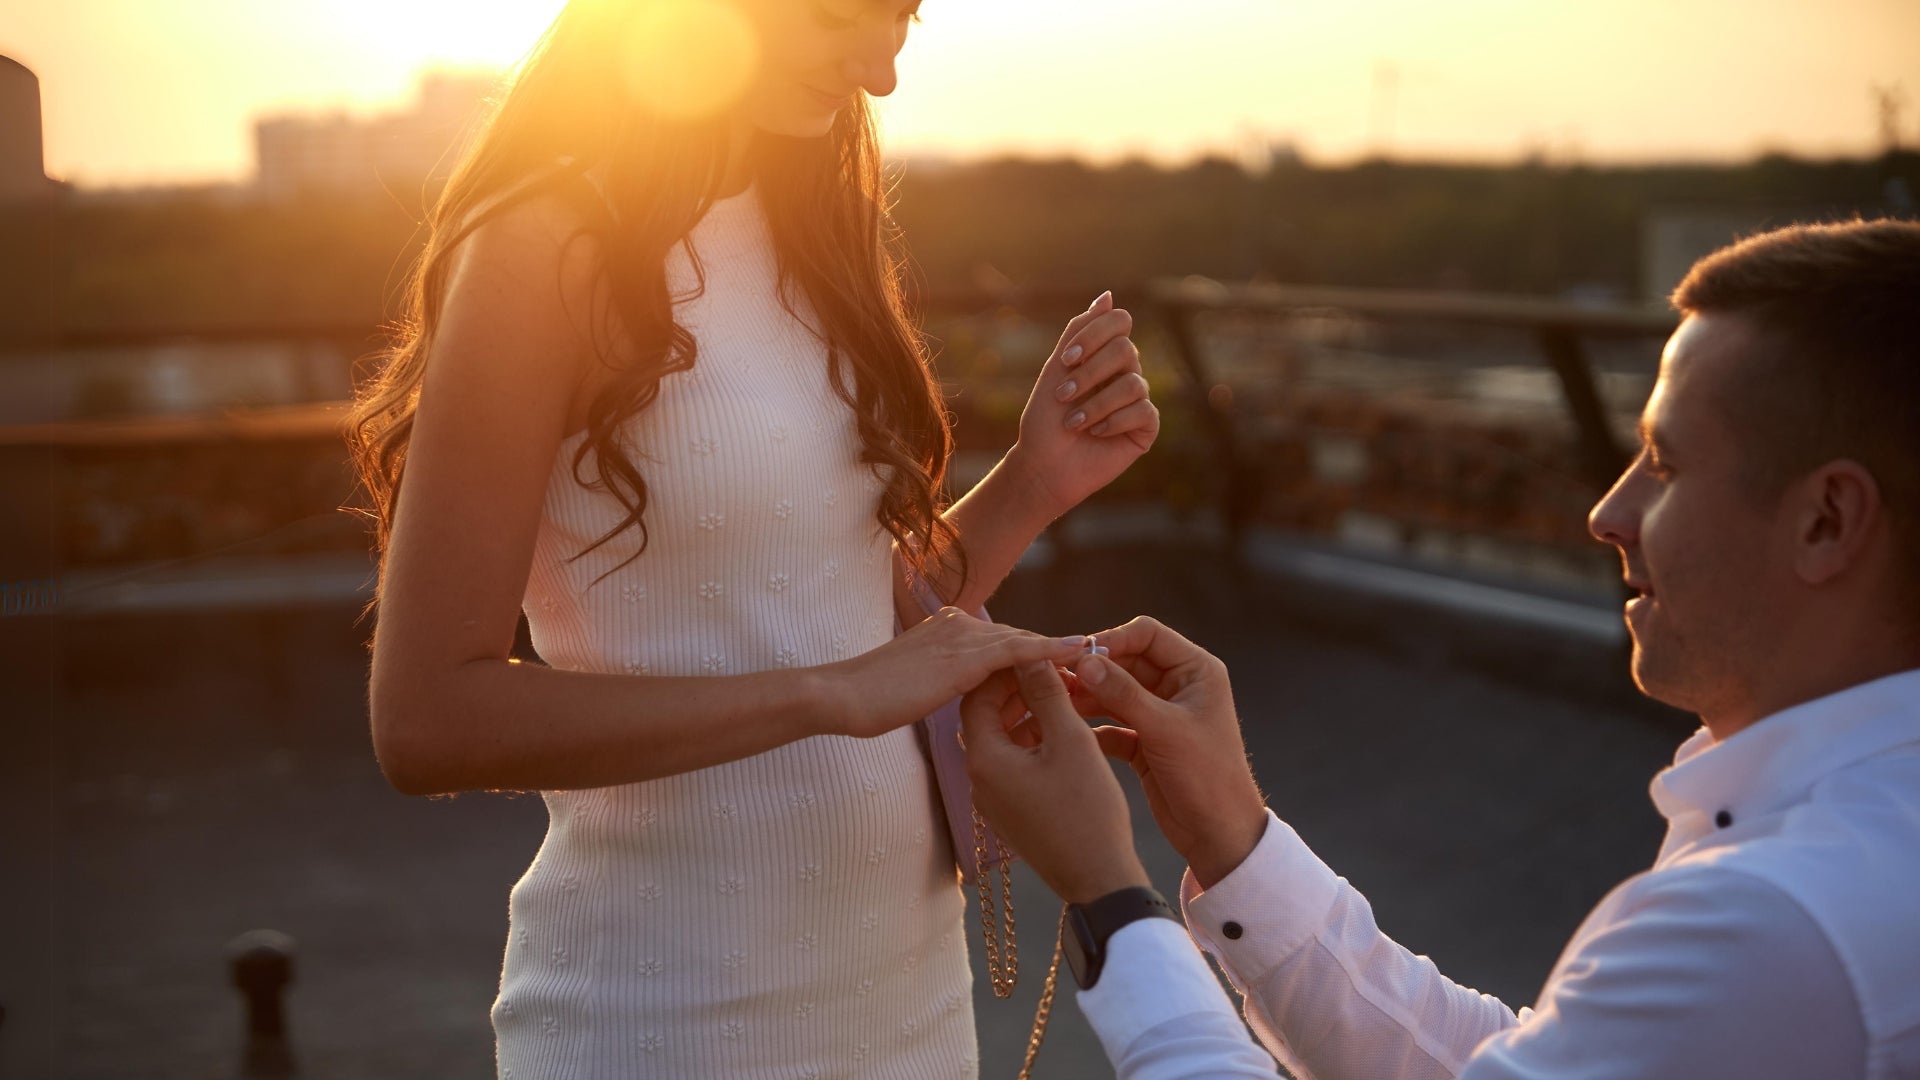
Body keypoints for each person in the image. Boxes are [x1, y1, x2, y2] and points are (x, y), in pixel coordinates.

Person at [345, 0, 1160, 1074]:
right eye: (841, 19)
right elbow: (427, 719)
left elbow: (826, 604)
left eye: (905, 18)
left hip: (903, 995)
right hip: (667, 1012)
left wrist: (1033, 482)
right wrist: (823, 694)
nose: (882, 75)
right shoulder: (543, 244)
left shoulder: (811, 219)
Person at [962, 218, 1920, 1079]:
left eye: (1665, 465)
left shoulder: (1779, 927)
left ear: (1828, 520)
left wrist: (1109, 896)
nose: (1608, 512)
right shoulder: (1857, 844)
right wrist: (1233, 839)